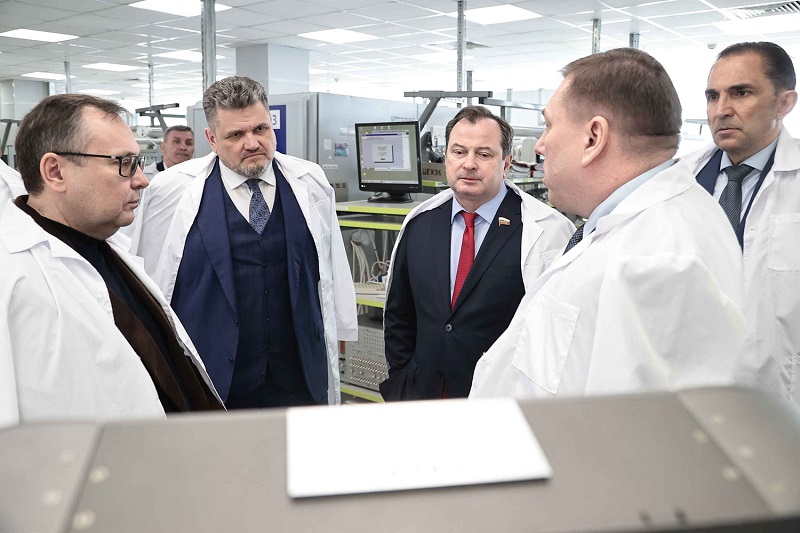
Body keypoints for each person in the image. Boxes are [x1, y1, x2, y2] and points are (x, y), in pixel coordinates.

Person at [470, 48, 746, 399]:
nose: (540, 145)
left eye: (549, 125)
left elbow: (625, 427)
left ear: (593, 138)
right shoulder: (633, 225)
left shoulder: (658, 260)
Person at [130, 76, 357, 408]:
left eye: (260, 129)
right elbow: (147, 278)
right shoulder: (169, 191)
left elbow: (330, 265)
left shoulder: (310, 182)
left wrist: (342, 328)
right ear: (212, 139)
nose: (252, 143)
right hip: (211, 379)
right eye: (236, 135)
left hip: (297, 377)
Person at [0, 94, 223, 428]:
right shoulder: (12, 275)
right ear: (55, 171)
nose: (142, 179)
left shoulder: (104, 246)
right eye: (124, 162)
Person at [380, 106, 574, 401]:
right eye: (459, 152)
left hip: (501, 401)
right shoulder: (420, 223)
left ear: (506, 162)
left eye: (484, 154)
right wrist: (401, 381)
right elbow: (399, 315)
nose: (469, 164)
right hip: (423, 396)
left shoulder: (546, 230)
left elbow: (555, 337)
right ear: (446, 157)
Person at [682, 42, 800, 402]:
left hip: (780, 395)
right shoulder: (679, 179)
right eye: (712, 96)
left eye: (741, 93)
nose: (721, 110)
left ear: (784, 103)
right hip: (689, 386)